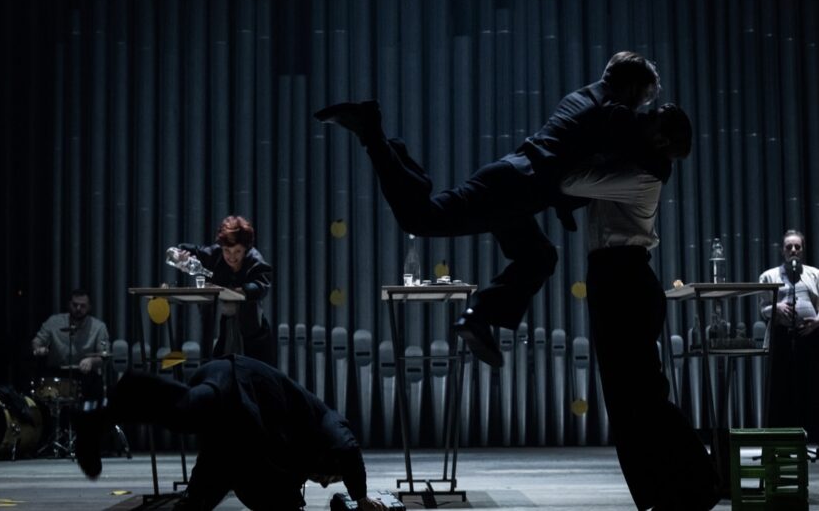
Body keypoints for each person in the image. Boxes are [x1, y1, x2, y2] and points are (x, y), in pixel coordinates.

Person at [315, 51, 660, 367]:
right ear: (631, 87)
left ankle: (477, 318)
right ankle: (373, 134)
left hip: (514, 185)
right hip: (514, 189)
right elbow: (637, 153)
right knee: (419, 219)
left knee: (539, 257)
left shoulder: (584, 96)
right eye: (643, 99)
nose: (641, 108)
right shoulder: (612, 111)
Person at [560, 104, 720, 510]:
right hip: (614, 277)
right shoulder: (632, 164)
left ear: (661, 139)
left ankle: (700, 482)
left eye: (650, 120)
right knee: (625, 398)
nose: (640, 120)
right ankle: (661, 492)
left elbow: (571, 181)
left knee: (643, 396)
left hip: (624, 280)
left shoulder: (641, 175)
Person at [73, 354, 384, 511]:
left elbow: (224, 469)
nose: (324, 483)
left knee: (204, 475)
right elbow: (348, 448)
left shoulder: (289, 459)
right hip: (237, 383)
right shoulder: (326, 421)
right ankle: (116, 399)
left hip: (237, 418)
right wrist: (361, 497)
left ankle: (103, 410)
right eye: (331, 478)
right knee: (186, 410)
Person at [177, 215, 273, 363]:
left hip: (250, 329)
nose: (232, 257)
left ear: (245, 249)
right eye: (227, 250)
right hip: (219, 326)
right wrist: (182, 257)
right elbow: (182, 249)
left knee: (250, 368)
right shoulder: (215, 253)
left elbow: (261, 285)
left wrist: (242, 291)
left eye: (237, 251)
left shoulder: (255, 260)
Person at [758, 229, 819, 441]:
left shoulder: (815, 274)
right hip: (782, 337)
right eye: (789, 247)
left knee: (810, 385)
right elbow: (763, 309)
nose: (793, 250)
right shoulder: (769, 276)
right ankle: (781, 437)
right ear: (782, 251)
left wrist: (817, 321)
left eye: (797, 247)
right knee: (781, 387)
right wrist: (776, 308)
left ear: (803, 250)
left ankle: (811, 435)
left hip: (810, 336)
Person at [32, 288, 110, 401]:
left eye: (83, 306)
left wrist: (92, 361)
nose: (78, 308)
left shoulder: (99, 327)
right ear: (69, 304)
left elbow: (104, 356)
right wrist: (38, 349)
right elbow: (37, 341)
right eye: (75, 305)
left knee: (95, 383)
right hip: (57, 374)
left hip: (85, 376)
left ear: (89, 307)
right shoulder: (53, 321)